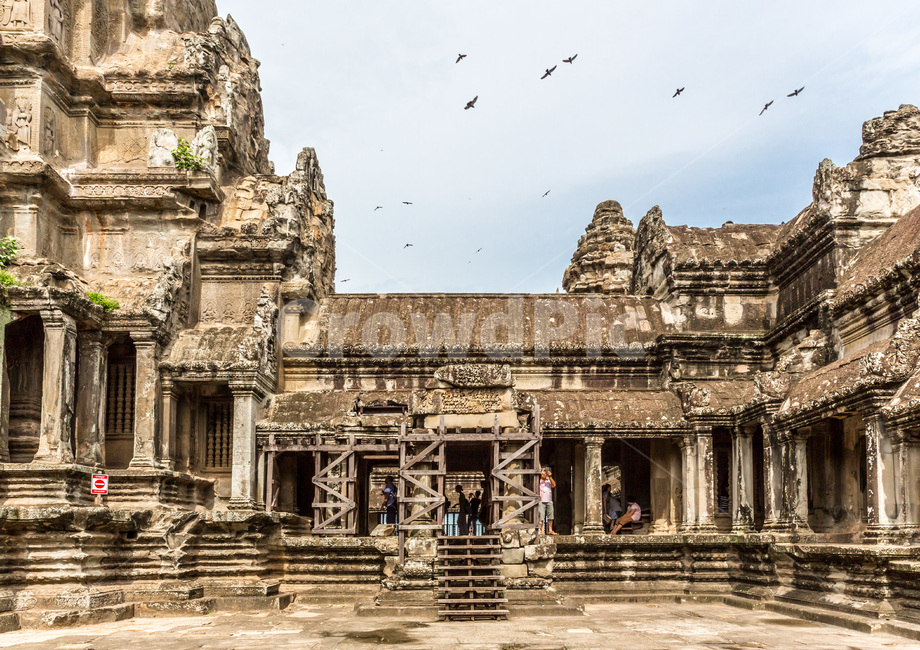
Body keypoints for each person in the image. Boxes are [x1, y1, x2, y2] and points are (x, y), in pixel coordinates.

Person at [538, 467, 556, 535]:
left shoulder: (548, 481)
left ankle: (550, 530)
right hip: (541, 501)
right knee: (541, 516)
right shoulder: (539, 481)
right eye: (543, 473)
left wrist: (550, 476)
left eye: (545, 473)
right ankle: (542, 530)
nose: (544, 474)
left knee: (550, 516)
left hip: (549, 500)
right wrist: (540, 472)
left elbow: (554, 485)